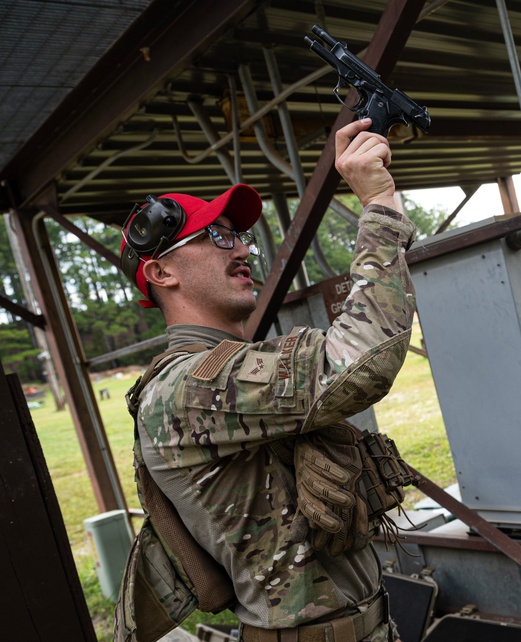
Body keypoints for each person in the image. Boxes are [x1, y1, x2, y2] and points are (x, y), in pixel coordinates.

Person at [114, 117, 416, 642]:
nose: (241, 249)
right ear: (161, 273)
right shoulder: (186, 387)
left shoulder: (225, 371)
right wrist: (380, 207)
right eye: (216, 236)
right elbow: (360, 362)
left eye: (240, 237)